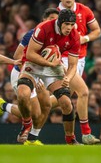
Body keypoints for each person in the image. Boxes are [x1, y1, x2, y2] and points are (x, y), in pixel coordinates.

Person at [0, 8, 60, 145]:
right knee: (36, 114)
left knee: (62, 97)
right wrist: (42, 63)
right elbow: (17, 56)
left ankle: (4, 106)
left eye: (56, 20)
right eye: (51, 19)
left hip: (39, 74)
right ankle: (30, 138)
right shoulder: (32, 34)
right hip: (23, 73)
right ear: (43, 20)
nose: (53, 22)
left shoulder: (58, 37)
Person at [16, 9, 80, 145]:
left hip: (54, 66)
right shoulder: (43, 28)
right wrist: (49, 63)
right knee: (22, 95)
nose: (69, 28)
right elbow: (30, 54)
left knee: (67, 104)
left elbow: (73, 64)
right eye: (67, 24)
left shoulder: (74, 36)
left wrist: (68, 77)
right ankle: (27, 123)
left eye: (72, 24)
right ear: (60, 22)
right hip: (34, 64)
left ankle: (70, 139)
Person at [57, 0, 101, 144]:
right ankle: (86, 133)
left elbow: (97, 30)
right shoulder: (56, 14)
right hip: (61, 59)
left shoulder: (84, 10)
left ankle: (18, 109)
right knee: (83, 92)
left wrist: (85, 38)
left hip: (79, 58)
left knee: (61, 97)